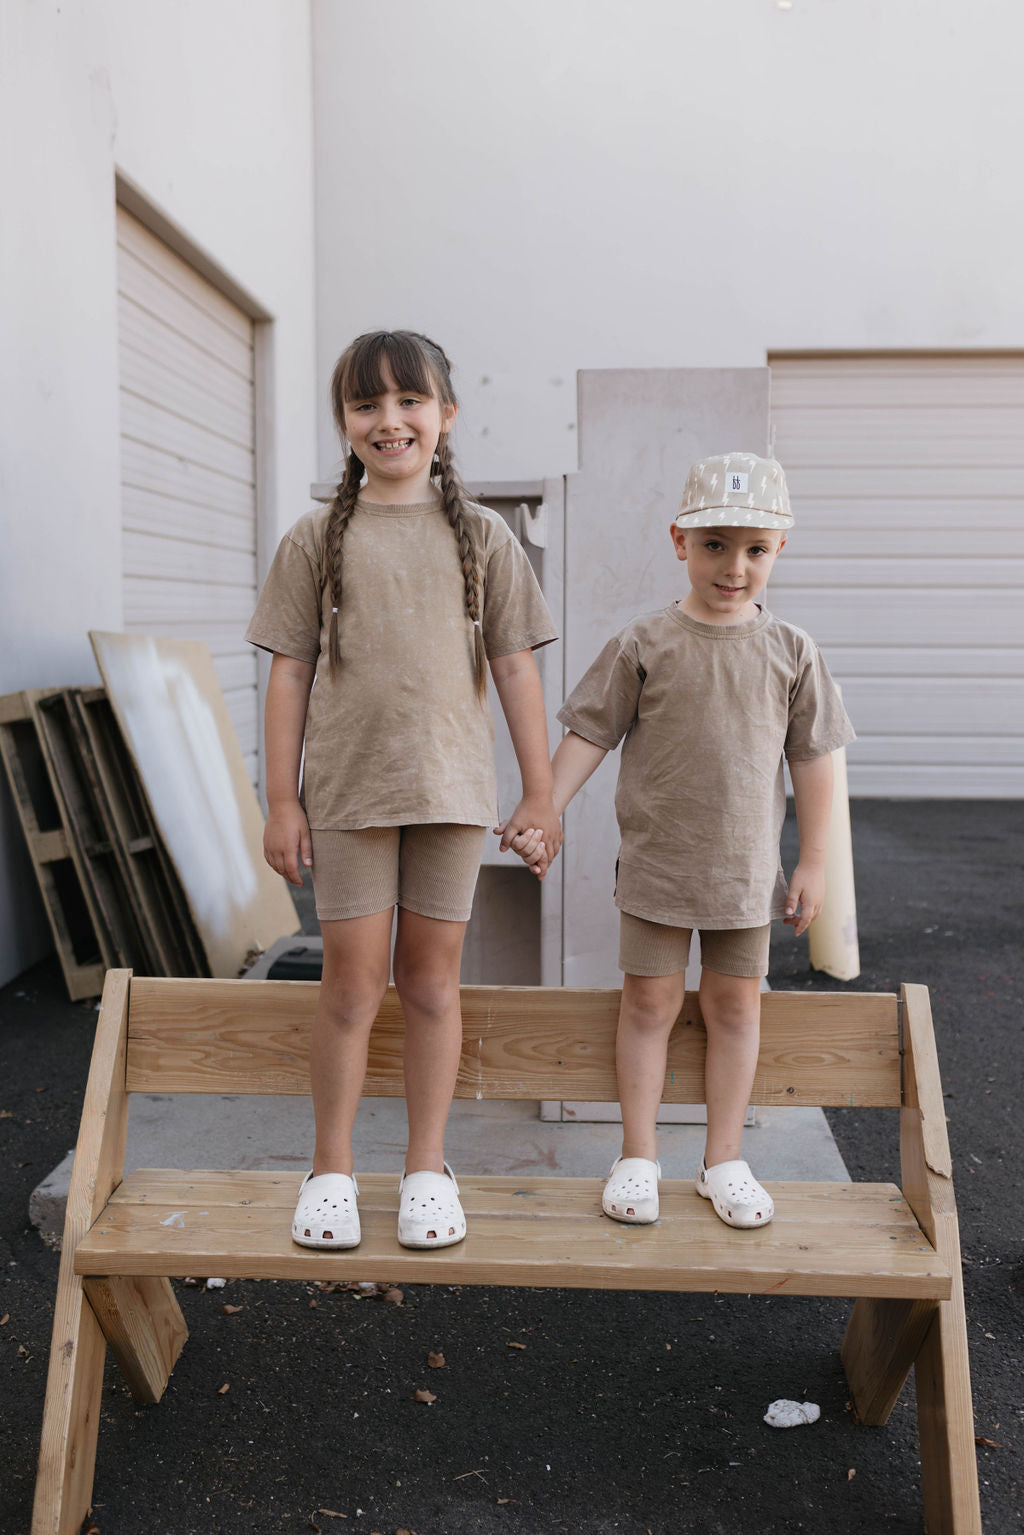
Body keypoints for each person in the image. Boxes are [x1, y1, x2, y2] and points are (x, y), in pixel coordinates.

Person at [247, 330, 560, 1251]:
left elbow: (515, 672)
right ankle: (332, 1168)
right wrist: (281, 798)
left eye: (409, 402)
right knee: (349, 987)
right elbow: (289, 676)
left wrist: (539, 796)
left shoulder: (482, 536)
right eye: (365, 406)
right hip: (346, 798)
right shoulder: (315, 539)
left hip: (453, 799)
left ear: (446, 416)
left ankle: (428, 1167)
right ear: (344, 424)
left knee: (429, 982)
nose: (389, 421)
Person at [504, 452, 854, 1229]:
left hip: (744, 876)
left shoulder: (792, 651)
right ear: (679, 542)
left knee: (735, 1008)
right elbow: (589, 734)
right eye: (716, 545)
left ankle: (723, 1157)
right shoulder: (644, 643)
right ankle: (638, 1154)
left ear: (779, 551)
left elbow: (814, 760)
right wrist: (544, 809)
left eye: (755, 549)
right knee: (649, 1003)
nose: (735, 567)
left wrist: (816, 862)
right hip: (660, 869)